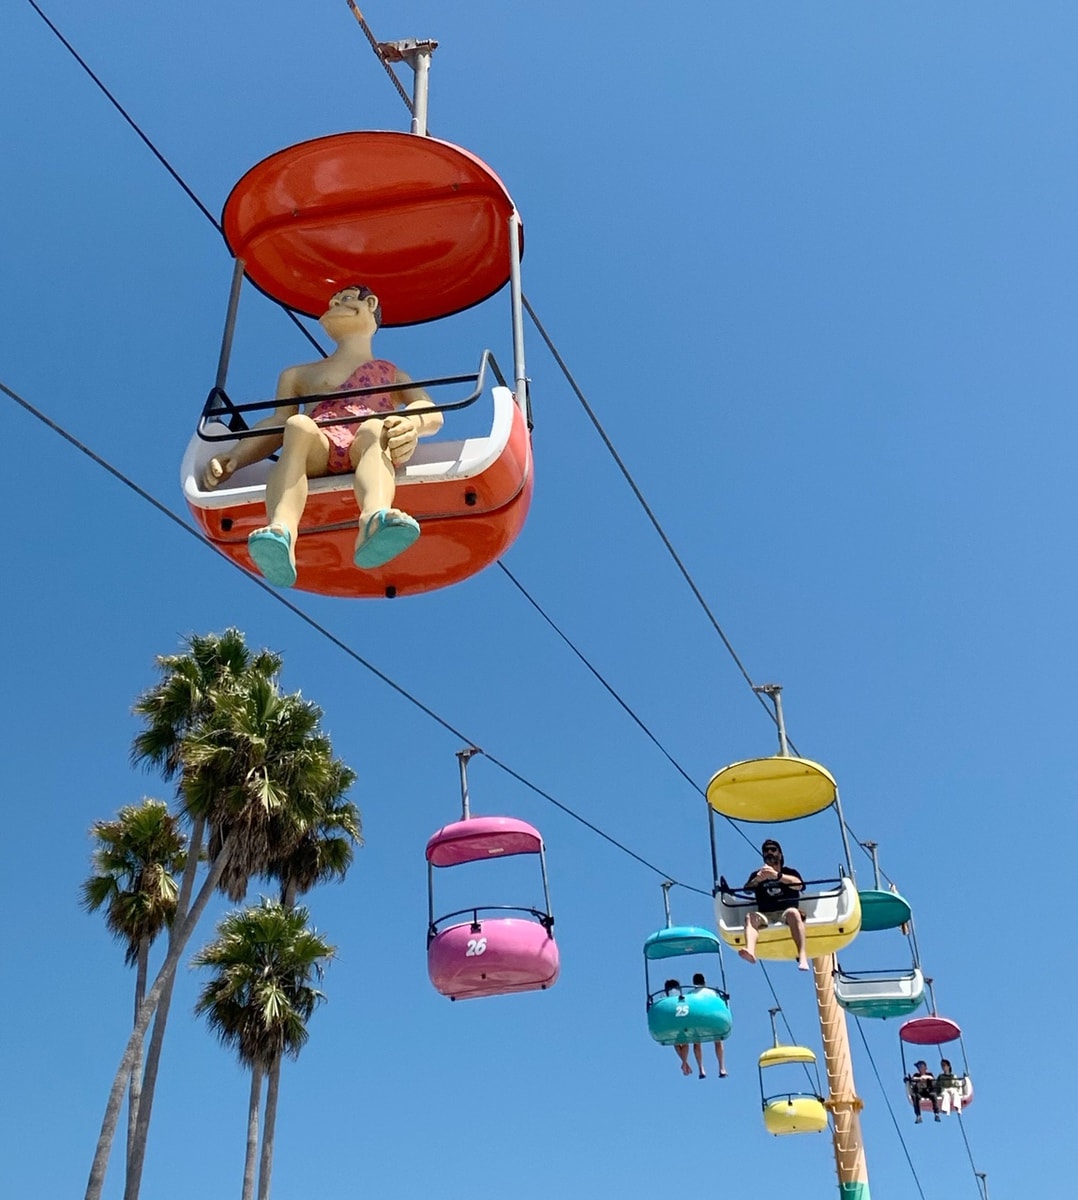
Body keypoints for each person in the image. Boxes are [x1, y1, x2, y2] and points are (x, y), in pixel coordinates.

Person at [201, 284, 443, 587]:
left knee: (374, 428)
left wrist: (411, 424)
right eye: (333, 302)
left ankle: (375, 517)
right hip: (320, 446)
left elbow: (429, 410)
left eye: (345, 299)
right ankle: (281, 531)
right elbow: (278, 422)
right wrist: (236, 455)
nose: (335, 305)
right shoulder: (298, 374)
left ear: (370, 304)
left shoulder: (392, 374)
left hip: (365, 444)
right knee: (297, 426)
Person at [739, 838, 809, 970]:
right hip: (765, 914)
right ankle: (750, 951)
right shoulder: (757, 874)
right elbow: (747, 890)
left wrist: (778, 876)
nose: (769, 852)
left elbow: (799, 885)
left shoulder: (790, 872)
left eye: (773, 850)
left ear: (780, 855)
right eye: (766, 850)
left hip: (786, 913)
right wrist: (757, 880)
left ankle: (802, 955)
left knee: (794, 913)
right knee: (750, 917)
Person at [687, 972, 728, 1079]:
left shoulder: (689, 994)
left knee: (696, 1042)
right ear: (704, 982)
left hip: (697, 1021)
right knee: (718, 1041)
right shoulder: (712, 992)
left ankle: (701, 1069)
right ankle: (722, 1067)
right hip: (711, 1019)